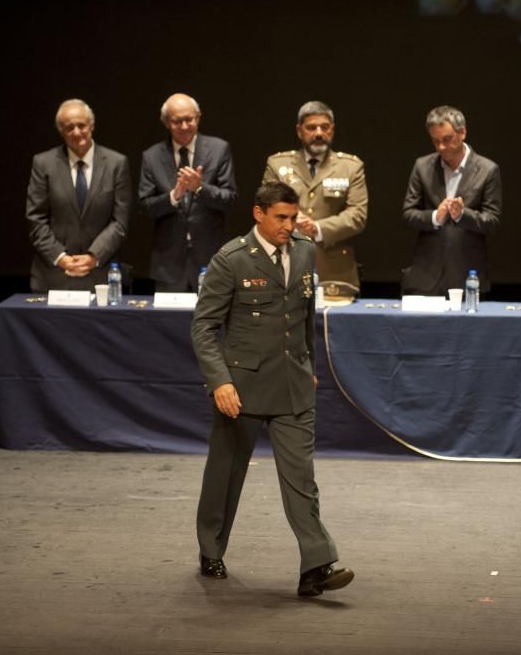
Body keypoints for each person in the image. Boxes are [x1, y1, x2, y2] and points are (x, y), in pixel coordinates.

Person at [190, 181, 353, 598]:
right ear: (258, 214)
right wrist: (220, 381)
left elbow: (302, 318)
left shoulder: (303, 250)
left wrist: (308, 367)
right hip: (240, 388)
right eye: (280, 217)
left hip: (293, 384)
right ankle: (211, 549)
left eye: (293, 217)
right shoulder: (231, 260)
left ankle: (316, 566)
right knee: (224, 475)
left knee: (302, 479)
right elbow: (204, 328)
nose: (289, 225)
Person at [262, 101, 367, 302]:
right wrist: (291, 221)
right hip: (284, 265)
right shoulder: (278, 164)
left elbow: (357, 215)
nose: (318, 133)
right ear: (299, 130)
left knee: (332, 330)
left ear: (332, 130)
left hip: (334, 274)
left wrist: (316, 227)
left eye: (324, 127)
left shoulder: (351, 166)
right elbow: (267, 207)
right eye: (311, 127)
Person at [26, 99, 132, 293]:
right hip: (54, 275)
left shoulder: (116, 163)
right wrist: (61, 258)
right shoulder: (43, 163)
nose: (76, 132)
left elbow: (120, 221)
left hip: (102, 276)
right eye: (69, 127)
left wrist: (93, 256)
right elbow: (35, 218)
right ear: (61, 131)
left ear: (91, 125)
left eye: (81, 125)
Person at [138, 93, 238, 292]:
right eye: (177, 121)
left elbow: (230, 199)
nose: (184, 126)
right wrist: (173, 196)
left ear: (198, 117)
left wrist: (200, 188)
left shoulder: (219, 149)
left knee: (212, 322)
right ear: (166, 122)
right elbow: (145, 208)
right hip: (169, 264)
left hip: (211, 260)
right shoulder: (152, 156)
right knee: (168, 323)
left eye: (189, 119)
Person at [401, 105, 502, 296]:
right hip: (426, 276)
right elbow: (408, 214)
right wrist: (434, 217)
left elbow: (492, 221)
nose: (441, 147)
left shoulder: (488, 170)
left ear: (462, 132)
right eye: (435, 141)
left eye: (447, 140)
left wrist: (463, 215)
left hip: (467, 276)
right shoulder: (422, 167)